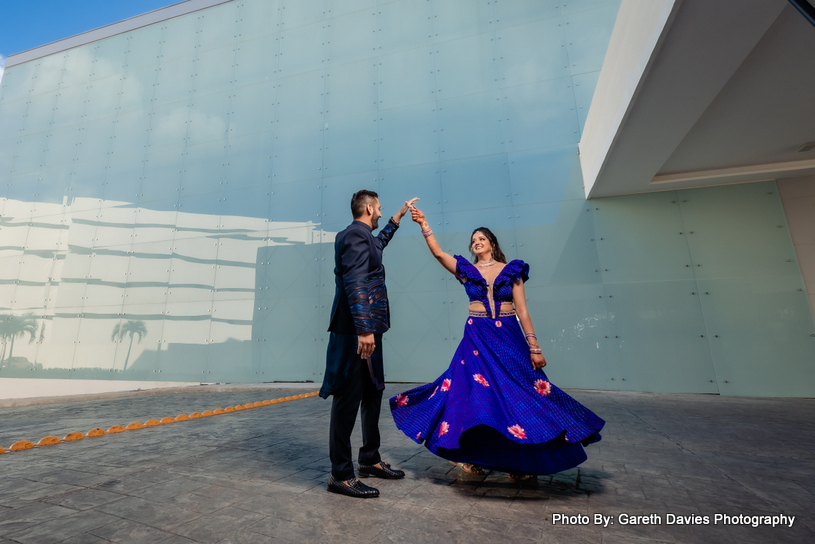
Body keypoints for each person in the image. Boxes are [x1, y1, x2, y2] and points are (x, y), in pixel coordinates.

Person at [389, 204, 605, 479]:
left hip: (508, 337)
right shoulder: (466, 270)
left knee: (519, 395)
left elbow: (523, 310)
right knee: (475, 398)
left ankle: (520, 462)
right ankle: (469, 455)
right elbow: (438, 253)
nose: (476, 243)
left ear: (491, 244)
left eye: (481, 239)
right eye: (473, 241)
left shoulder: (511, 269)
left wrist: (534, 347)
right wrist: (424, 225)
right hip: (477, 339)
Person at [320, 190, 418, 498]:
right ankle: (341, 474)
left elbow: (379, 244)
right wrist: (364, 330)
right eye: (379, 209)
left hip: (370, 332)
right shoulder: (352, 237)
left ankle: (369, 458)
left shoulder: (365, 238)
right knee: (347, 400)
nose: (380, 212)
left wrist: (397, 218)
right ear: (369, 208)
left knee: (373, 393)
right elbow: (355, 281)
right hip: (356, 334)